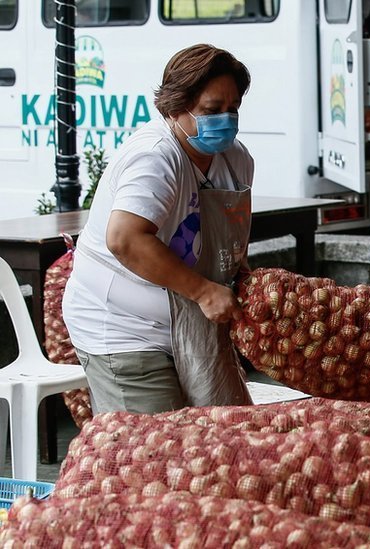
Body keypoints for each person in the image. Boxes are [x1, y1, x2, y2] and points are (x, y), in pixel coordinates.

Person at [63, 44, 254, 414]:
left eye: (233, 110)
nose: (226, 121)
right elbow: (125, 239)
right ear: (174, 108)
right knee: (149, 451)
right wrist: (202, 291)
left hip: (192, 325)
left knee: (222, 435)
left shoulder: (237, 159)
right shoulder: (155, 157)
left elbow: (230, 235)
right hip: (123, 327)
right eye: (212, 111)